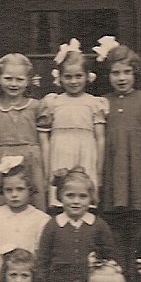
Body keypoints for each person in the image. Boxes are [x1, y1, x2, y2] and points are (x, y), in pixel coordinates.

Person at [97, 43, 141, 277]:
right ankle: (118, 275)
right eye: (116, 73)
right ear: (108, 75)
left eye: (127, 72)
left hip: (137, 168)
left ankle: (136, 279)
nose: (121, 78)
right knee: (115, 224)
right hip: (114, 170)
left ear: (135, 73)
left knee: (138, 223)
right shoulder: (103, 102)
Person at [35, 167, 116, 282]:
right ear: (60, 196)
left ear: (91, 198)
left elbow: (110, 258)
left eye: (82, 196)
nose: (76, 201)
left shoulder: (98, 225)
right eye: (70, 195)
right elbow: (42, 261)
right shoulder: (53, 225)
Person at [39, 43, 106, 208]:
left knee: (83, 197)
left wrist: (98, 169)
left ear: (87, 76)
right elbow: (44, 138)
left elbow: (100, 138)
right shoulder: (53, 102)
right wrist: (47, 169)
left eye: (78, 76)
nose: (73, 81)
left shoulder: (94, 103)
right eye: (68, 77)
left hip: (86, 152)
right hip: (60, 152)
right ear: (59, 77)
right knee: (62, 197)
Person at [0, 53, 47, 211]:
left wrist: (46, 171)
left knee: (36, 203)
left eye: (19, 79)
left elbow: (43, 141)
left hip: (31, 161)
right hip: (3, 160)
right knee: (7, 202)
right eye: (8, 78)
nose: (13, 84)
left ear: (28, 81)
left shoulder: (36, 106)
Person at [0, 158, 49, 266]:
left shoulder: (41, 219)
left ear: (30, 189)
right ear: (2, 190)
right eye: (8, 190)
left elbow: (39, 255)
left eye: (20, 189)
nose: (14, 195)